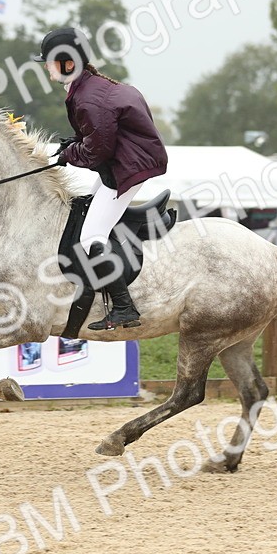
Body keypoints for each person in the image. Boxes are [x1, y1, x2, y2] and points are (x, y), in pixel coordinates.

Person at [33, 27, 168, 331]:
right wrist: (74, 143)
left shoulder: (89, 98)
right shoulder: (87, 88)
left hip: (129, 166)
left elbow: (98, 150)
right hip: (124, 160)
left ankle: (124, 307)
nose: (45, 68)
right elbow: (96, 137)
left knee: (90, 237)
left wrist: (70, 155)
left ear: (68, 63)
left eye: (49, 62)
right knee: (87, 207)